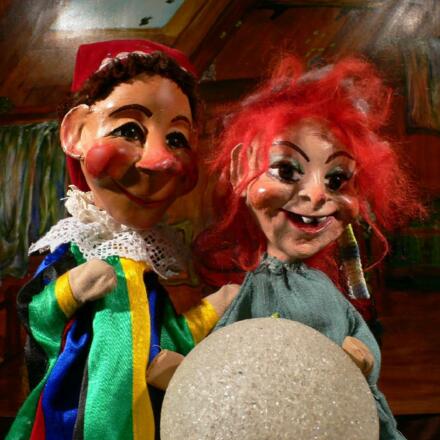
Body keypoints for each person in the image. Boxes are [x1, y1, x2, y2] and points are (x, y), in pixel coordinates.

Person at [7, 39, 236, 440]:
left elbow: (164, 333)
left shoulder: (148, 262)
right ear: (76, 133)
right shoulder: (80, 245)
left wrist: (209, 313)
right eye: (129, 130)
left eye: (176, 139)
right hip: (77, 419)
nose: (160, 160)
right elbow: (38, 315)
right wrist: (70, 289)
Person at [195, 55, 425, 439]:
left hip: (339, 417)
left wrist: (362, 358)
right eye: (286, 170)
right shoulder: (252, 289)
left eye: (336, 180)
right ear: (240, 171)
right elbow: (223, 350)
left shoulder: (325, 290)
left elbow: (359, 334)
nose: (317, 195)